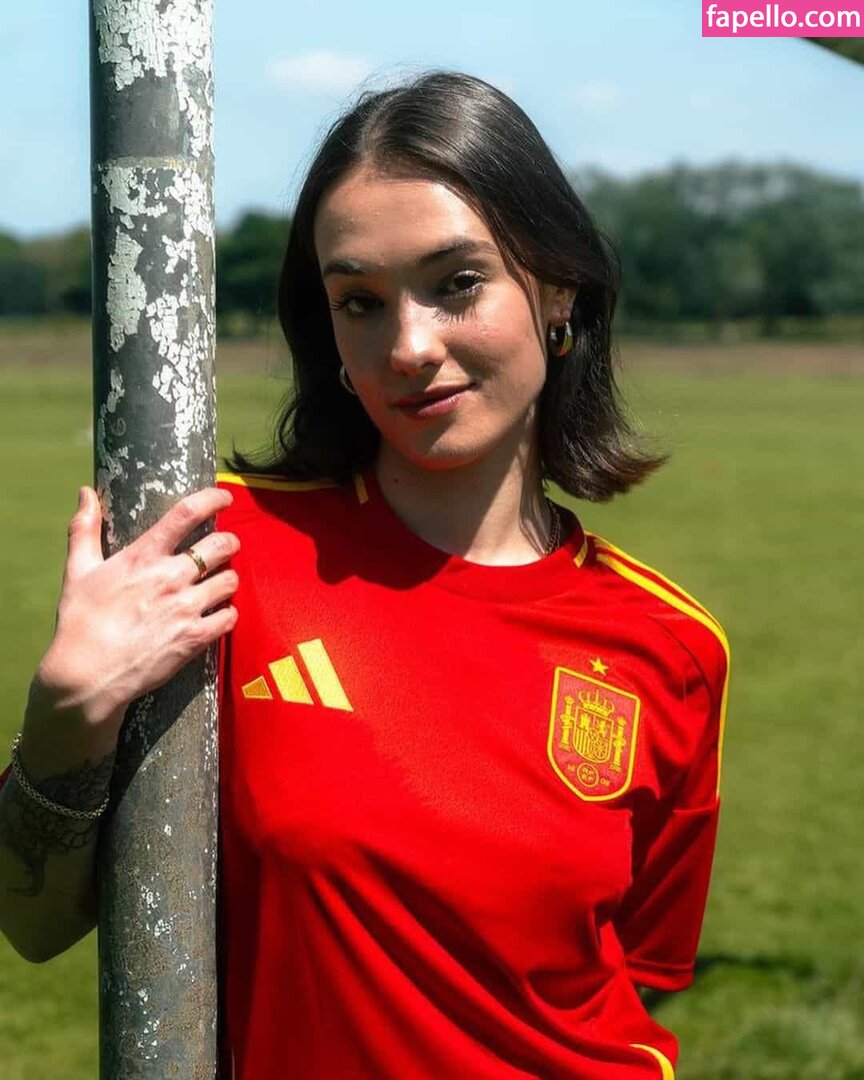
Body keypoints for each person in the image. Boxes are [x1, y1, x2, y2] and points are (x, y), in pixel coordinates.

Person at [0, 70, 730, 1079]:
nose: (410, 346)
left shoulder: (673, 645)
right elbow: (33, 923)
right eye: (361, 302)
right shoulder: (223, 553)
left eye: (457, 282)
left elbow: (630, 971)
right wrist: (66, 710)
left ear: (558, 286)